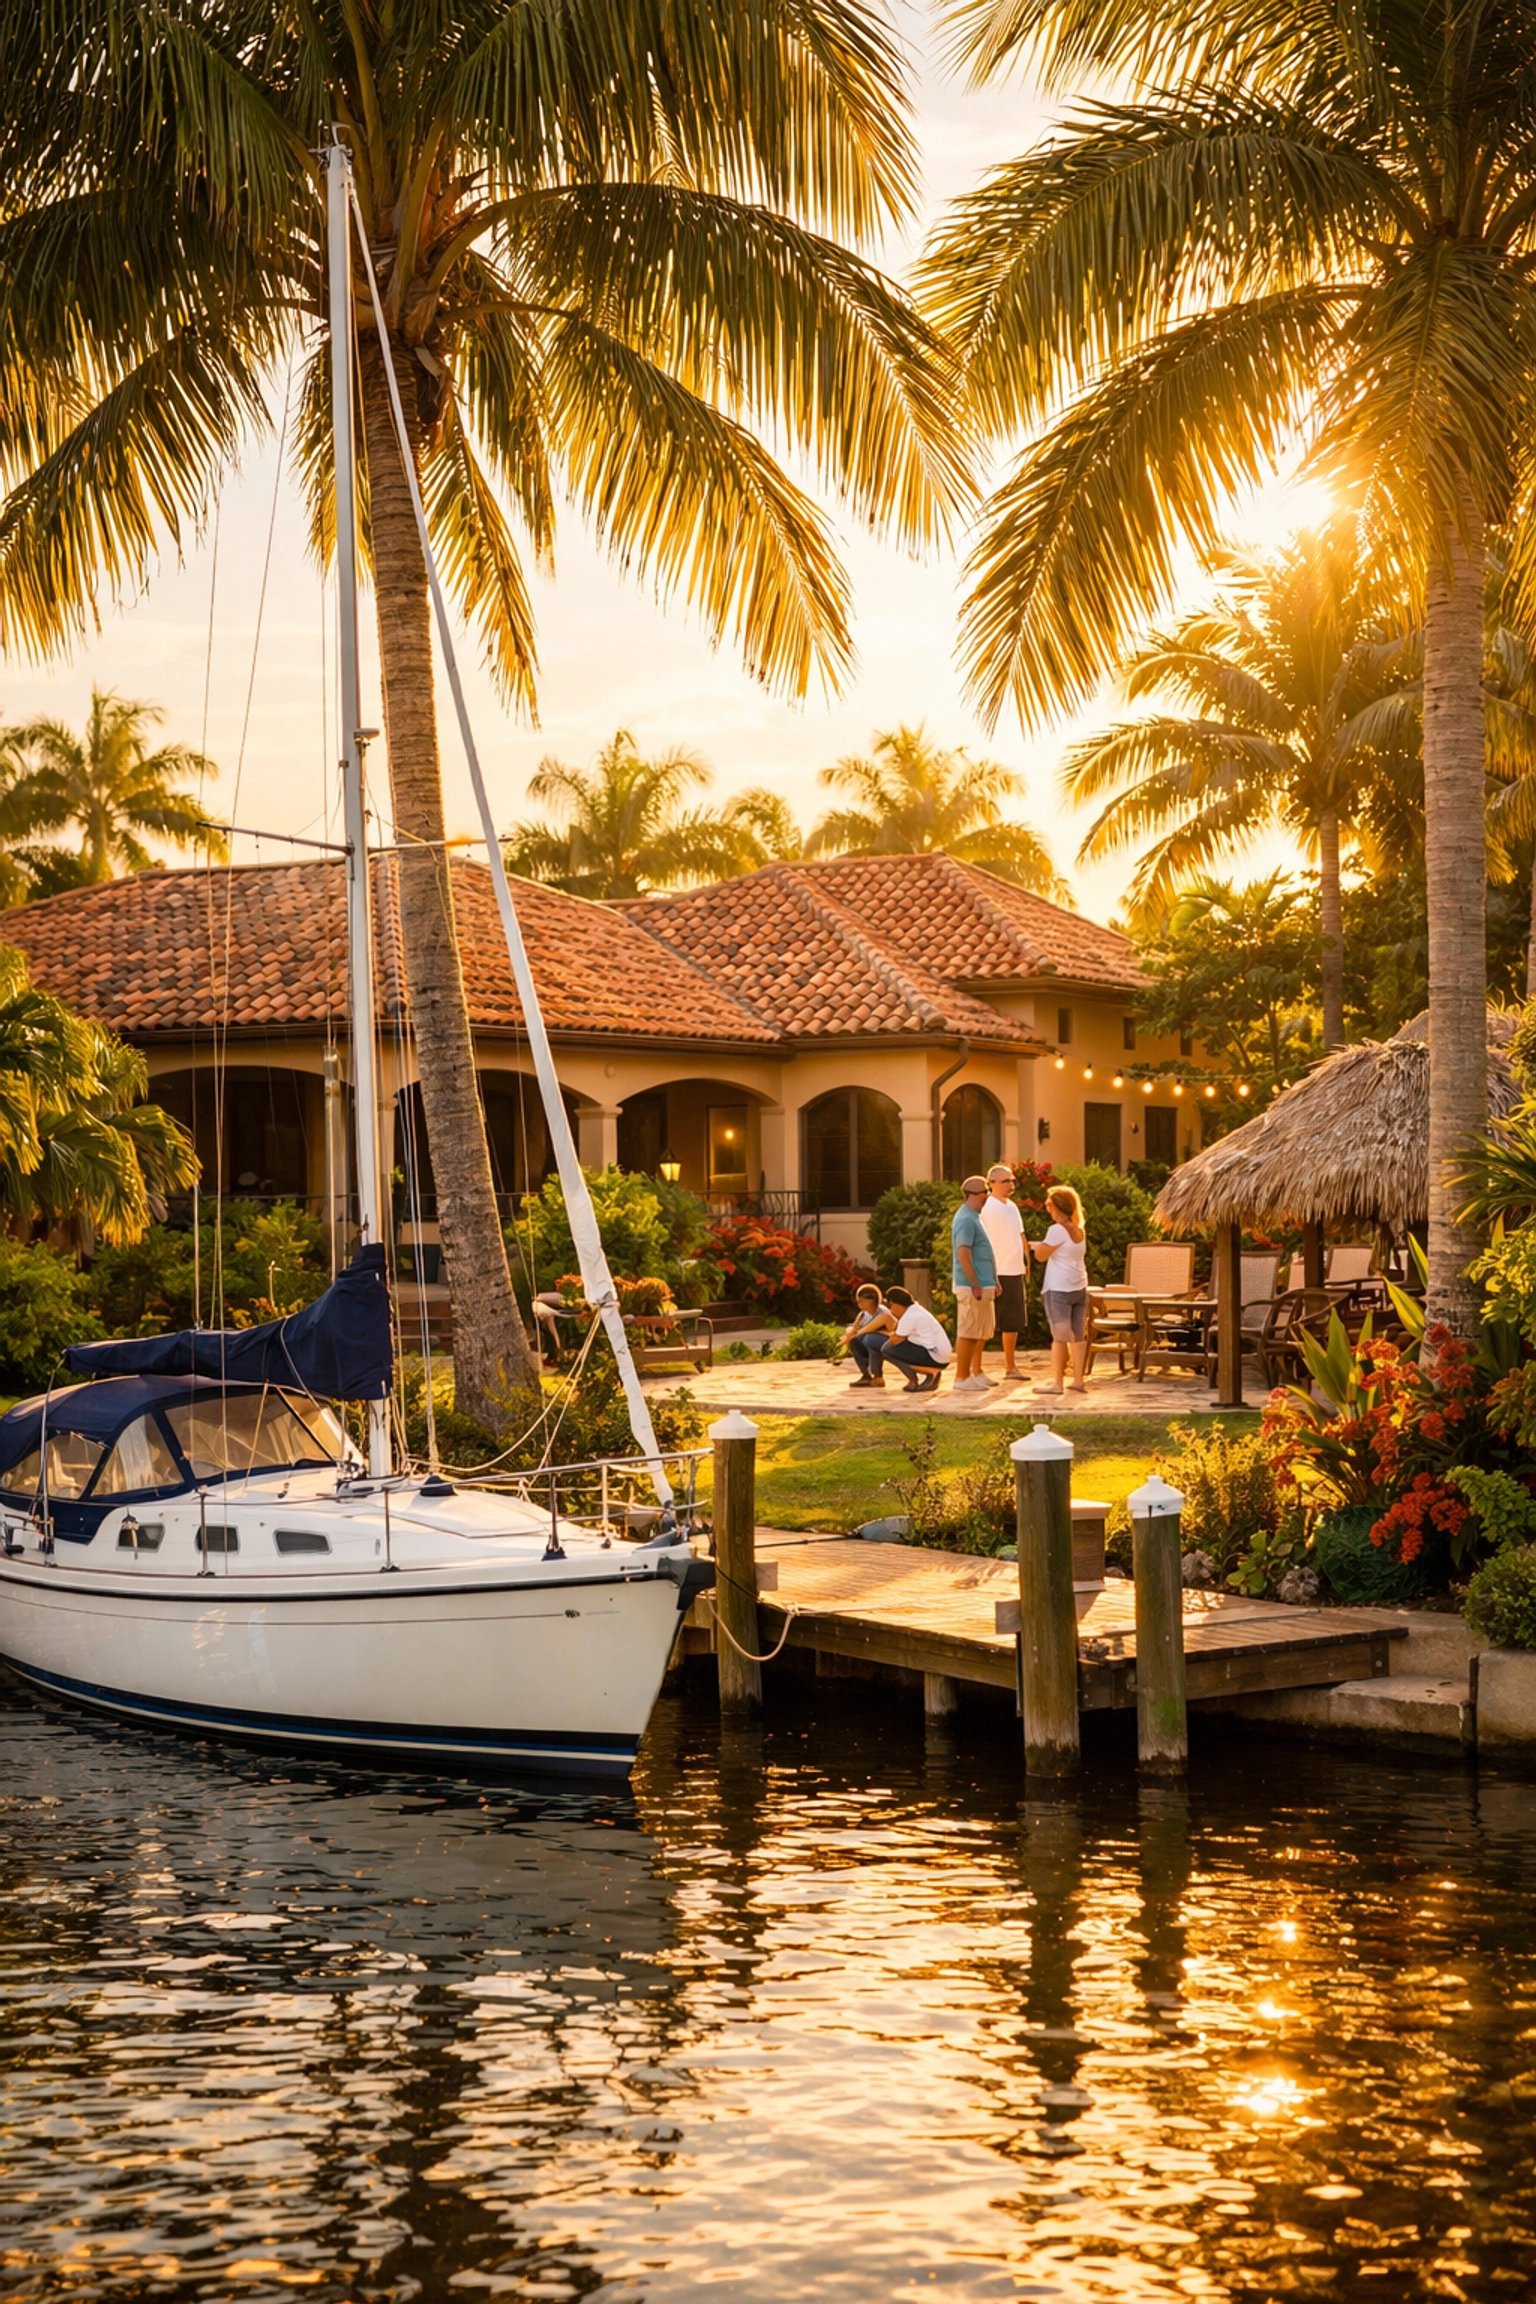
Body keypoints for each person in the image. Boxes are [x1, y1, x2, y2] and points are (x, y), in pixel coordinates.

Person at [1030, 1184, 1089, 1394]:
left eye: (1048, 1204)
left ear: (1057, 1206)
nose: (1046, 1208)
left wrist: (1035, 1247)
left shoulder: (1056, 1230)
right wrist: (1042, 1245)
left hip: (1059, 1289)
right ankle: (1078, 1380)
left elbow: (1040, 1256)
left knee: (1059, 1337)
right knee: (1078, 1336)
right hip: (1079, 1287)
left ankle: (1057, 1383)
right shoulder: (1079, 1229)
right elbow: (1060, 1249)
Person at [950, 1174, 998, 1392]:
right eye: (984, 1193)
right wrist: (975, 1284)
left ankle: (974, 1372)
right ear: (973, 1194)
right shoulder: (965, 1219)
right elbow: (963, 1254)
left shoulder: (974, 1217)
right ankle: (962, 1377)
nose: (987, 1197)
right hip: (971, 1286)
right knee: (968, 1332)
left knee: (979, 1332)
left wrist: (994, 1280)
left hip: (983, 1284)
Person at [980, 1162, 1027, 1380]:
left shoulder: (1012, 1207)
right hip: (995, 1272)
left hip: (1014, 1271)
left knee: (1012, 1322)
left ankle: (1010, 1367)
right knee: (985, 1322)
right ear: (992, 1183)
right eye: (1006, 1181)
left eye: (1012, 1180)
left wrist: (1026, 1262)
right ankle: (975, 1368)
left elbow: (1020, 1235)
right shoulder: (986, 1208)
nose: (1011, 1184)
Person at [875, 1285, 951, 1392]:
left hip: (934, 1355)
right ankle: (930, 1373)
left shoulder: (909, 1316)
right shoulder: (916, 1309)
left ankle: (921, 1377)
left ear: (894, 1304)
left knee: (887, 1350)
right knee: (892, 1347)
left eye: (890, 1306)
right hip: (942, 1356)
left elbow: (895, 1340)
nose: (891, 1311)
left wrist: (879, 1333)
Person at [842, 1283, 890, 1388]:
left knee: (870, 1339)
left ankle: (877, 1376)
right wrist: (849, 1334)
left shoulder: (882, 1312)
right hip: (867, 1341)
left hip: (883, 1342)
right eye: (858, 1301)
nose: (859, 1304)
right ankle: (866, 1375)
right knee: (855, 1341)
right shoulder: (863, 1314)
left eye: (862, 1301)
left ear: (871, 1301)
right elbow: (855, 1328)